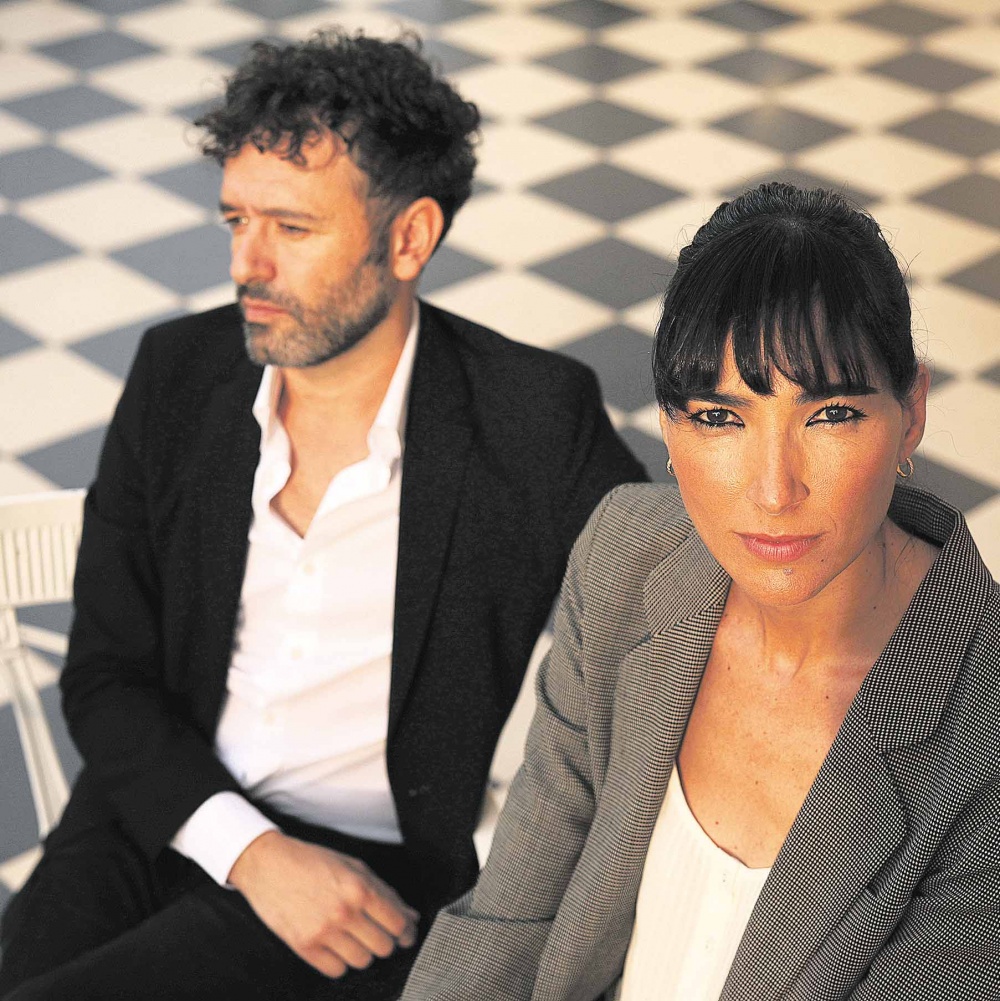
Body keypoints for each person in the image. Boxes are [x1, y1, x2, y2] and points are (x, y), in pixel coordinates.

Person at [0, 31, 646, 1001]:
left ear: (410, 238)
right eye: (235, 219)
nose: (246, 264)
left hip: (370, 877)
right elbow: (103, 673)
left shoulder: (530, 417)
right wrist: (251, 850)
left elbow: (677, 607)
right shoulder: (178, 374)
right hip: (161, 805)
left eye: (292, 228)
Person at [401, 182, 1000, 1001]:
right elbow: (509, 922)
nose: (774, 489)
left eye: (830, 414)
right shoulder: (625, 557)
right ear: (669, 428)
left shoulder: (983, 724)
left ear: (912, 412)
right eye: (721, 417)